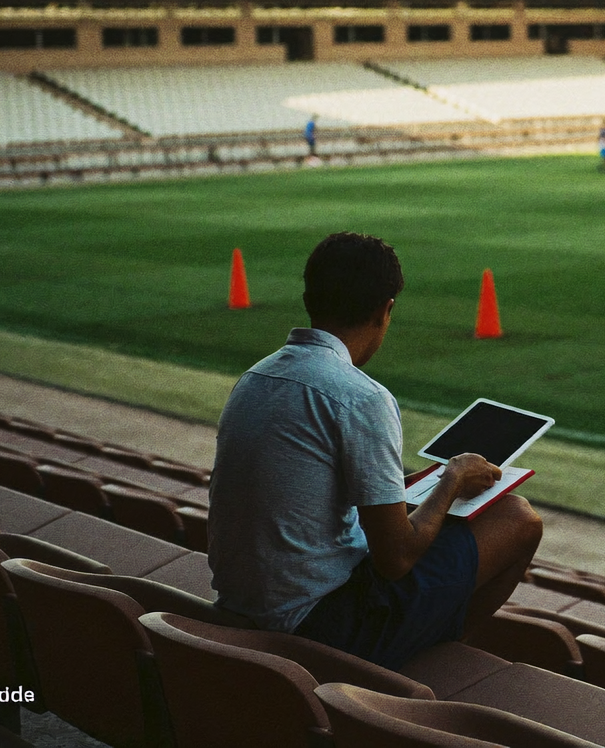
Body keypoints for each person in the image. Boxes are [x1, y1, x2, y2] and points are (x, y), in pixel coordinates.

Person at [209, 232, 543, 670]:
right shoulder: (360, 396)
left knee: (433, 513)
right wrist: (450, 481)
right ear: (385, 310)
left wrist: (415, 488)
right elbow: (395, 560)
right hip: (321, 623)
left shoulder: (257, 376)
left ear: (310, 297)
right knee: (519, 518)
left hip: (246, 601)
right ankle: (436, 658)